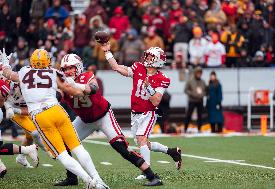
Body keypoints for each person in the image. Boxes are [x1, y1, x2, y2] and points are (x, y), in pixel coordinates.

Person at [0, 48, 108, 189]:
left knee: (62, 155)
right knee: (78, 148)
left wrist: (5, 63)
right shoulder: (53, 72)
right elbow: (71, 90)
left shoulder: (24, 72)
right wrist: (88, 88)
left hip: (40, 116)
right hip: (57, 111)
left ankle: (89, 181)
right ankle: (98, 179)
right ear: (48, 61)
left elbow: (8, 74)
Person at [59, 54, 162, 187]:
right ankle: (72, 177)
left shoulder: (87, 75)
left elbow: (93, 88)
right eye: (65, 69)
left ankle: (152, 176)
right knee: (64, 142)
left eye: (70, 68)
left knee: (121, 147)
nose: (67, 72)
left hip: (103, 116)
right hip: (84, 120)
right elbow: (58, 96)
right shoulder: (63, 83)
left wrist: (76, 85)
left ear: (78, 67)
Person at [100, 43, 182, 180]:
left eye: (150, 56)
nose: (147, 58)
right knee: (143, 143)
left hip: (148, 113)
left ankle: (147, 171)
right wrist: (108, 52)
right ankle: (172, 152)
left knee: (141, 139)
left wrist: (149, 88)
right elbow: (116, 67)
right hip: (135, 112)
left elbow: (156, 101)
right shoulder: (138, 67)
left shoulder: (162, 78)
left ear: (157, 60)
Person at [0, 79, 38, 177]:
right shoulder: (12, 84)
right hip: (11, 111)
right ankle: (27, 150)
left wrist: (13, 109)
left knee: (34, 133)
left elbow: (32, 109)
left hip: (18, 112)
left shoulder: (35, 92)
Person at [184, 66, 207, 133]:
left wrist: (202, 94)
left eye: (200, 73)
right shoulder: (190, 81)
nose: (199, 74)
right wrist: (192, 94)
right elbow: (186, 90)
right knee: (188, 115)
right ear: (195, 73)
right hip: (192, 100)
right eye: (198, 73)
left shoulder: (203, 81)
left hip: (200, 100)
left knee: (200, 115)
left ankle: (199, 129)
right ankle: (185, 129)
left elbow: (206, 91)